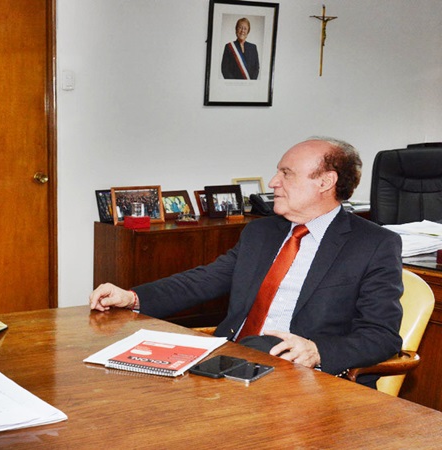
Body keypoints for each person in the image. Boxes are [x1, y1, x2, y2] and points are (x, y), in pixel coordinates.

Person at [89, 138, 403, 388]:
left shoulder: (372, 245)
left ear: (325, 182)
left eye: (286, 173)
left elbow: (381, 335)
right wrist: (132, 297)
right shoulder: (261, 232)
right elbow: (206, 280)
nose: (273, 181)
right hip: (229, 361)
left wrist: (318, 351)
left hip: (303, 379)